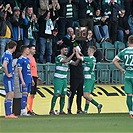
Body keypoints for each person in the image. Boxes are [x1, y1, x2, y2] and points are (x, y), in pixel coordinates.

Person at [49, 44, 79, 115]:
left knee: (63, 95)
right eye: (65, 50)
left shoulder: (67, 58)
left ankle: (61, 110)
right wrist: (73, 54)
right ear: (61, 50)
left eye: (67, 50)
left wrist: (78, 57)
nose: (66, 51)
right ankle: (51, 110)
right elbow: (65, 61)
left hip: (64, 79)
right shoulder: (59, 57)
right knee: (56, 94)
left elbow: (75, 64)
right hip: (58, 78)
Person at [76, 46, 103, 114]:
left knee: (85, 95)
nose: (87, 51)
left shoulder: (89, 58)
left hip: (88, 78)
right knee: (88, 95)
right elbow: (84, 57)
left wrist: (76, 50)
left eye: (88, 50)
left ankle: (98, 105)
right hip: (92, 78)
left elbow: (78, 57)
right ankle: (86, 110)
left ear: (90, 51)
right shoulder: (92, 58)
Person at [112, 35, 133, 118]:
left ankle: (131, 112)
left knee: (129, 94)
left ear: (128, 42)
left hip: (127, 74)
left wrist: (121, 69)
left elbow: (114, 61)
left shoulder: (124, 51)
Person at [2, 40, 18, 118]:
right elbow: (4, 65)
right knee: (10, 94)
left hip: (7, 77)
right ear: (14, 47)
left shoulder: (6, 54)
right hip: (8, 78)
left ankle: (7, 113)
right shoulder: (8, 55)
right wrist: (8, 74)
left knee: (8, 94)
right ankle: (8, 114)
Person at [17, 45, 35, 116]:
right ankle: (23, 111)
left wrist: (32, 79)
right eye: (28, 50)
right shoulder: (20, 59)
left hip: (29, 80)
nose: (29, 51)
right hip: (24, 80)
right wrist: (22, 81)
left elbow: (29, 70)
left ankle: (24, 109)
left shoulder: (27, 59)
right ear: (24, 50)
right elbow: (19, 71)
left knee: (27, 95)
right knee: (24, 95)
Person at [27, 45, 41, 115]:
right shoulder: (28, 58)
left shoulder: (33, 58)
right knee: (30, 93)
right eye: (33, 49)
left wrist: (37, 76)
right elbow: (28, 69)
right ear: (29, 50)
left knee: (33, 94)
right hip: (30, 77)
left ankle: (30, 109)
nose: (34, 50)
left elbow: (34, 68)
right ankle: (28, 109)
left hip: (34, 76)